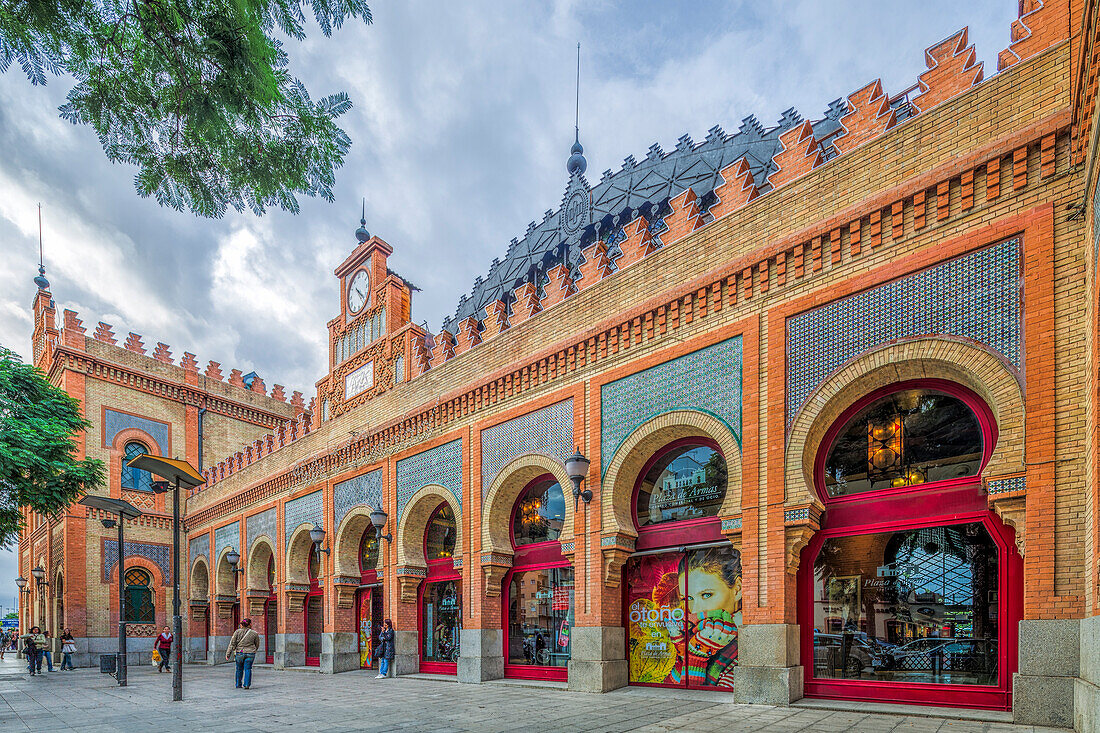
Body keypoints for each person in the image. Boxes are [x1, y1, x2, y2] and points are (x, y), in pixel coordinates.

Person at [669, 547, 742, 688]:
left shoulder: (742, 649)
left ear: (737, 589)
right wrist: (689, 652)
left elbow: (693, 696)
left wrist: (696, 657)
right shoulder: (691, 634)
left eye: (706, 595)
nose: (696, 609)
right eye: (688, 598)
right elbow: (672, 689)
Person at [225, 618, 259, 689]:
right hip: (250, 653)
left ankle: (238, 684)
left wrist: (228, 654)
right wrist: (254, 650)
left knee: (239, 669)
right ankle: (246, 684)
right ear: (250, 624)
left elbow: (232, 643)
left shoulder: (237, 632)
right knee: (248, 669)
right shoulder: (254, 633)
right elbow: (257, 644)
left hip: (240, 652)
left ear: (242, 625)